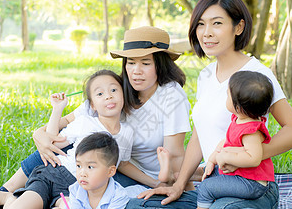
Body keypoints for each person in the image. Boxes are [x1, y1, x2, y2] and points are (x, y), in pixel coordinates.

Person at [126, 0, 292, 209]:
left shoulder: (257, 74)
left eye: (217, 23)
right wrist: (179, 185)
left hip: (251, 185)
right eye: (201, 24)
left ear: (238, 27)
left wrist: (248, 155)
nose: (207, 33)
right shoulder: (206, 75)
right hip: (215, 184)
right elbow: (198, 135)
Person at [15, 26, 192, 192]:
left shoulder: (171, 96)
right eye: (131, 63)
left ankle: (37, 200)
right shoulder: (116, 90)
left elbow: (175, 155)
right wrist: (39, 133)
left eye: (146, 63)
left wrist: (174, 187)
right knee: (58, 149)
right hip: (107, 164)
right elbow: (67, 122)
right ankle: (6, 192)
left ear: (160, 65)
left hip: (141, 177)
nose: (136, 71)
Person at [0, 70, 133, 209]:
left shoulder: (127, 132)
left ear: (123, 95)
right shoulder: (85, 122)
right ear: (92, 104)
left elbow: (123, 164)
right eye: (100, 94)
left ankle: (44, 207)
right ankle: (8, 198)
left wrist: (154, 182)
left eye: (114, 90)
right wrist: (57, 109)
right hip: (54, 175)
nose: (108, 96)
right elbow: (52, 142)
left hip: (77, 189)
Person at [177, 70, 275, 209]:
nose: (226, 97)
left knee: (207, 186)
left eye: (228, 94)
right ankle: (205, 206)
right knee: (212, 175)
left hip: (253, 184)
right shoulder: (239, 120)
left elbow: (254, 158)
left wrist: (227, 156)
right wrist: (213, 158)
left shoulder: (251, 130)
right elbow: (226, 141)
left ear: (238, 106)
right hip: (241, 178)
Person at [43, 132, 129, 209]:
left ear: (110, 171)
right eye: (79, 166)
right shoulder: (76, 189)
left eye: (90, 167)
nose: (82, 173)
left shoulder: (118, 195)